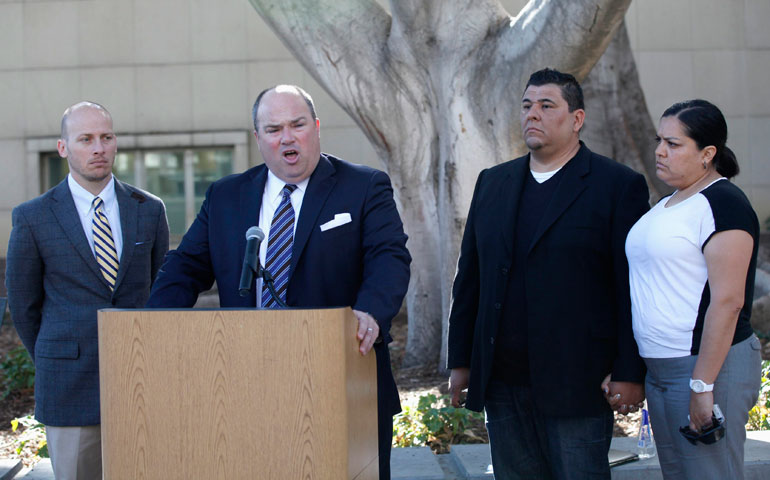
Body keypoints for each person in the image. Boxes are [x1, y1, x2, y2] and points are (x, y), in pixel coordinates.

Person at [146, 84, 411, 479]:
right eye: (273, 129)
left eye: (297, 125)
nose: (287, 137)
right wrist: (152, 324)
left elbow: (388, 256)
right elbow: (186, 266)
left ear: (317, 127)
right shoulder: (226, 196)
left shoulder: (363, 186)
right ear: (258, 139)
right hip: (245, 383)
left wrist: (371, 310)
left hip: (342, 379)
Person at [446, 68, 650, 479]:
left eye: (546, 105)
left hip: (579, 381)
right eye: (526, 106)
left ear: (577, 119)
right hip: (503, 381)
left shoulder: (617, 185)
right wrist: (463, 361)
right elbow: (470, 278)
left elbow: (632, 286)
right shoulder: (493, 182)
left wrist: (630, 371)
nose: (532, 115)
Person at [5, 101, 169, 480]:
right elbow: (24, 305)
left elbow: (162, 291)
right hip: (69, 384)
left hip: (140, 379)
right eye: (86, 139)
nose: (98, 148)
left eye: (106, 137)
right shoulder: (33, 217)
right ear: (63, 148)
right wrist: (55, 356)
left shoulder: (149, 209)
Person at [625, 99, 761, 479]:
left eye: (673, 143)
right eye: (659, 140)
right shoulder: (667, 203)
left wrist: (702, 386)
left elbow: (729, 302)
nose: (659, 151)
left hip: (707, 366)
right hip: (662, 370)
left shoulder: (724, 204)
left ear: (707, 154)